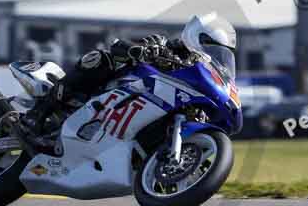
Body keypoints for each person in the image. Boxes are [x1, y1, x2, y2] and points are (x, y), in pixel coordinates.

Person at [19, 13, 237, 140]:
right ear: (197, 38)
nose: (211, 53)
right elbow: (121, 46)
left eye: (218, 51)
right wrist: (141, 50)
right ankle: (38, 113)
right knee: (100, 59)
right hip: (121, 91)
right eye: (209, 46)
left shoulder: (203, 70)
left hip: (151, 109)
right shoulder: (166, 46)